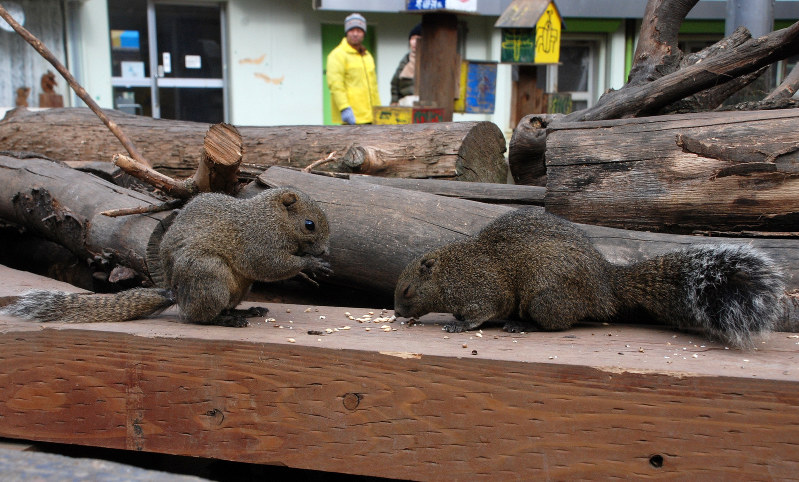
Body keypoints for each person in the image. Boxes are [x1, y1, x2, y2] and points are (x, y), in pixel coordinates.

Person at [326, 13, 381, 125]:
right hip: (352, 118)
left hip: (371, 117)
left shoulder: (367, 56)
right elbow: (336, 85)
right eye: (352, 30)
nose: (355, 34)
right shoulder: (337, 55)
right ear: (347, 32)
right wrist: (344, 107)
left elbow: (374, 87)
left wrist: (378, 110)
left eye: (359, 30)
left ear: (364, 33)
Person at [390, 24, 422, 107]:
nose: (415, 42)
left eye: (418, 39)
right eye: (413, 39)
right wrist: (394, 101)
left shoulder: (429, 61)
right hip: (405, 104)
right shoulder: (405, 60)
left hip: (424, 105)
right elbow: (395, 83)